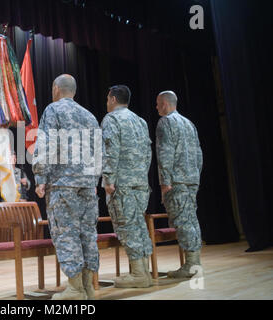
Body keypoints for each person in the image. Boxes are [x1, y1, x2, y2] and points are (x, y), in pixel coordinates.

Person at [33, 74, 102, 300]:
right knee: (87, 235)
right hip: (88, 185)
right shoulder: (90, 115)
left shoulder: (53, 110)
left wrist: (40, 177)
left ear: (56, 89)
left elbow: (46, 145)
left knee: (66, 233)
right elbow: (99, 153)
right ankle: (88, 287)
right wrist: (94, 181)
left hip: (63, 184)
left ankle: (74, 290)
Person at [101, 85, 153, 288]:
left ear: (113, 99)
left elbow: (110, 150)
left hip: (121, 184)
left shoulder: (111, 119)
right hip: (140, 184)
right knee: (139, 226)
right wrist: (141, 175)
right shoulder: (140, 121)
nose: (107, 102)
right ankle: (144, 273)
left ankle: (139, 275)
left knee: (127, 228)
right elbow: (148, 153)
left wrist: (108, 179)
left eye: (107, 98)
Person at [155, 91, 203, 278]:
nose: (157, 107)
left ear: (166, 104)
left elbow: (165, 153)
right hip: (191, 180)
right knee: (191, 219)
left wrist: (164, 182)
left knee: (183, 221)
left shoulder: (165, 122)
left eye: (158, 104)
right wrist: (196, 176)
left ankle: (192, 265)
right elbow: (199, 154)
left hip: (177, 181)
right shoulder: (189, 123)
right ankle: (194, 263)